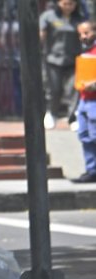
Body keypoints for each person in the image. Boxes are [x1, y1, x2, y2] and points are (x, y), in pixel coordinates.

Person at [40, 0, 86, 129]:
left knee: (73, 90)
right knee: (54, 89)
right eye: (65, 3)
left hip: (73, 60)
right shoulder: (48, 16)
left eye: (71, 4)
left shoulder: (79, 19)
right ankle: (52, 113)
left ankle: (72, 118)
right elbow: (41, 34)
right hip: (53, 59)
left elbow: (86, 34)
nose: (68, 7)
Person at [72, 20, 96, 182]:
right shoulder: (83, 51)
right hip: (84, 99)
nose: (83, 37)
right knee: (85, 135)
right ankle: (92, 170)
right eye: (80, 33)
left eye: (86, 33)